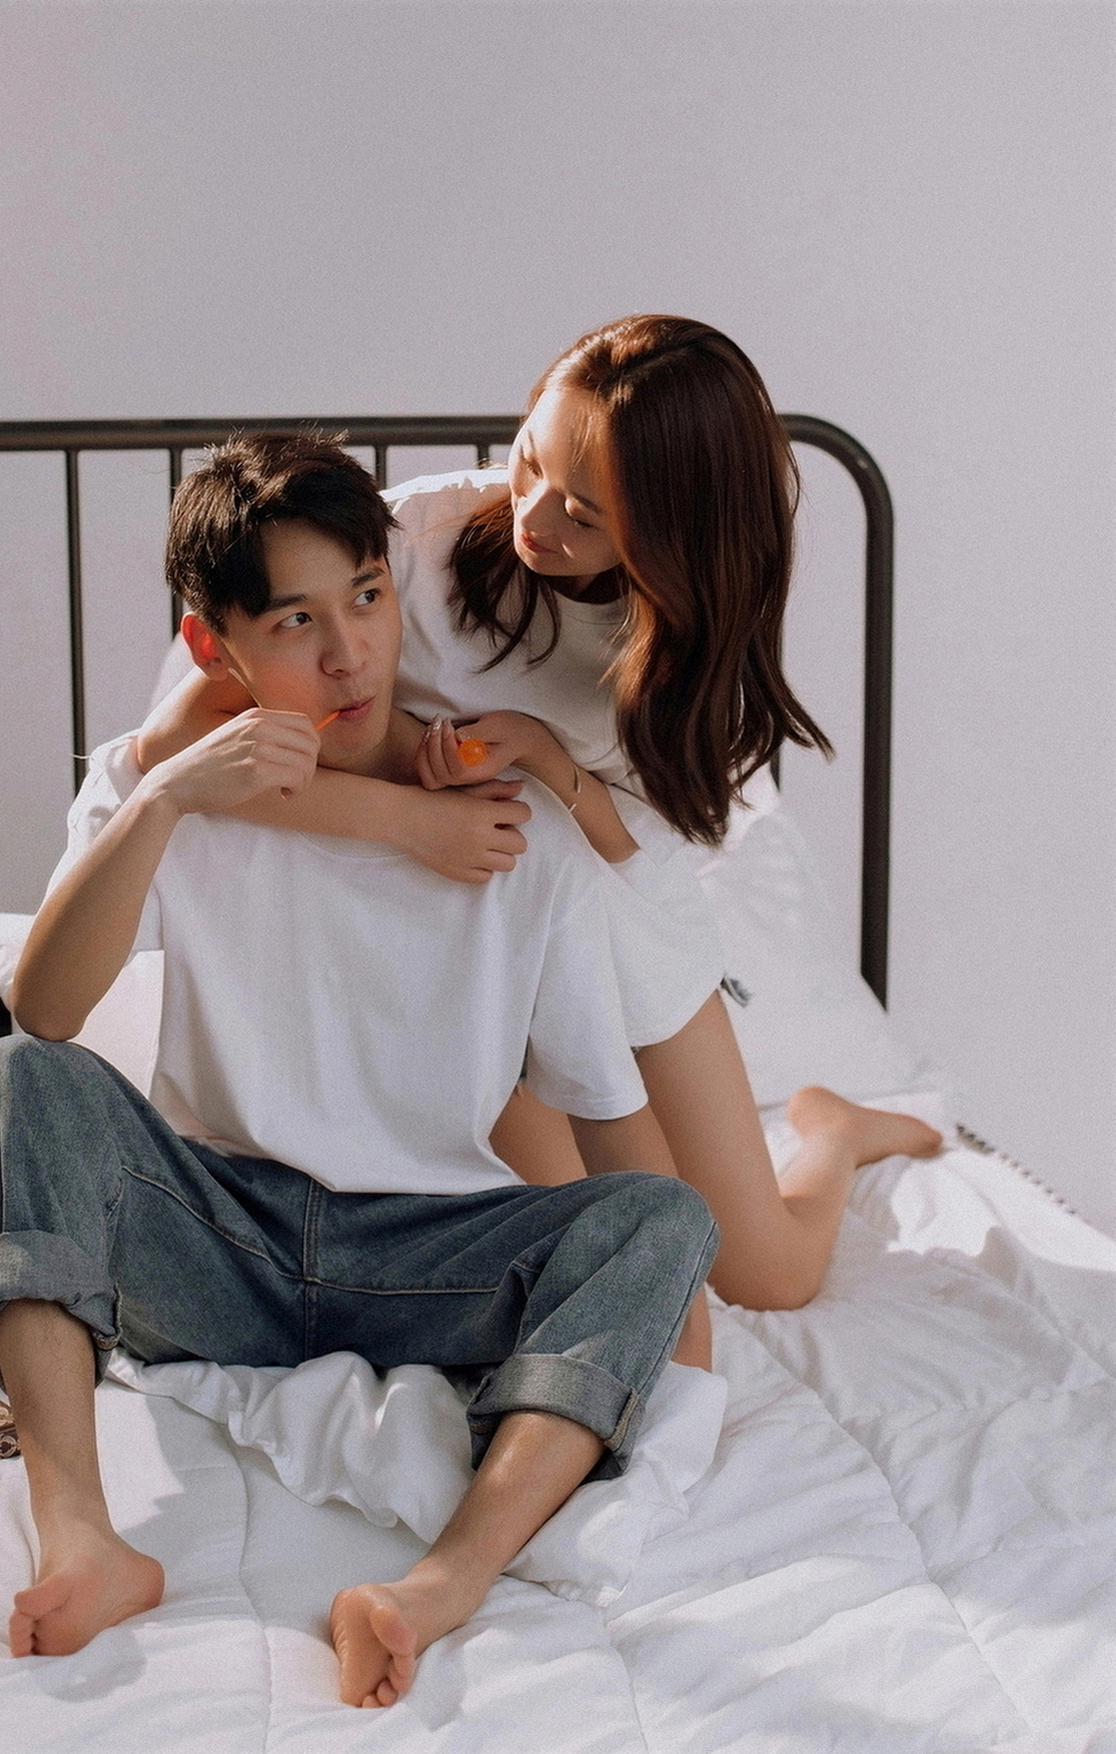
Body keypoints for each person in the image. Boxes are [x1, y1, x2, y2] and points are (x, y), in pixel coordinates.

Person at [0, 433, 719, 1707]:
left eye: (366, 597)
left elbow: (605, 1116)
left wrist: (670, 1287)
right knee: (17, 1077)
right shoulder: (168, 792)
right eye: (296, 621)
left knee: (664, 1214)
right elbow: (45, 1006)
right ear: (214, 648)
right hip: (220, 1244)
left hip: (426, 1257)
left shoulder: (512, 828)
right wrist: (157, 801)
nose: (349, 653)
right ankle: (82, 1534)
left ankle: (441, 1581)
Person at [137, 315, 941, 1313]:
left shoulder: (687, 657)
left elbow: (635, 853)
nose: (533, 514)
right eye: (529, 460)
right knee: (602, 1252)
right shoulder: (411, 545)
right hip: (468, 942)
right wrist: (405, 819)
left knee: (765, 1276)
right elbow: (175, 745)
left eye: (583, 512)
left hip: (616, 901)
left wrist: (548, 758)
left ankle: (834, 1130)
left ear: (672, 539)